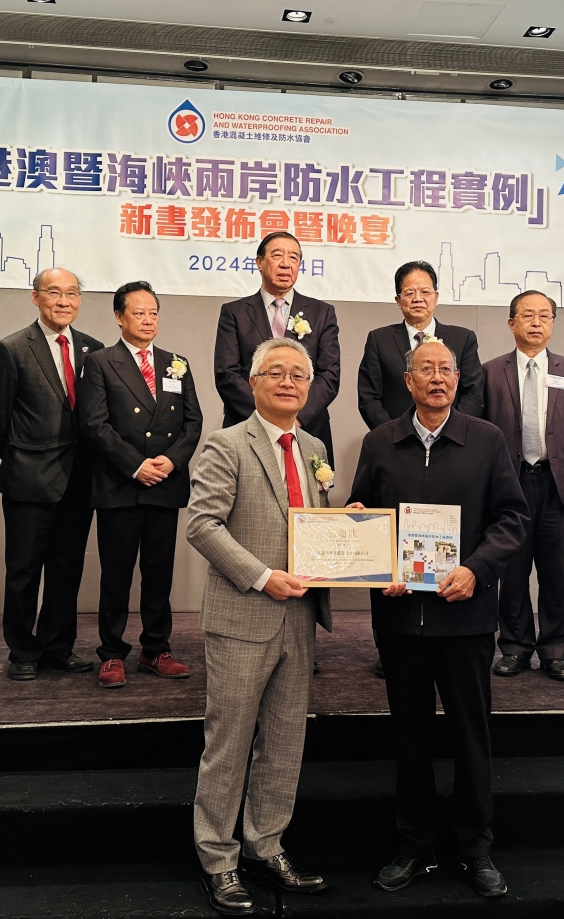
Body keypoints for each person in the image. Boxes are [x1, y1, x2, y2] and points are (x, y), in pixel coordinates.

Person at [348, 340, 527, 899]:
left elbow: (512, 519)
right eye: (425, 368)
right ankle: (414, 845)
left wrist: (475, 569)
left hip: (465, 617)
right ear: (408, 380)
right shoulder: (381, 442)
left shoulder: (486, 440)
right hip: (400, 619)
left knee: (472, 736)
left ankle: (475, 848)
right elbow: (361, 512)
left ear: (458, 379)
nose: (437, 377)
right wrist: (370, 553)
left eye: (446, 369)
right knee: (410, 737)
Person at [187, 338, 332, 916]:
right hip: (244, 615)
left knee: (284, 741)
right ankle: (216, 858)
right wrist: (262, 576)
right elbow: (202, 525)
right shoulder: (225, 444)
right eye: (276, 372)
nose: (288, 382)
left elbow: (314, 526)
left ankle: (265, 846)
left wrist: (345, 526)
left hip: (300, 617)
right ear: (253, 382)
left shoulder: (315, 447)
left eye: (299, 374)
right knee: (228, 743)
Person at [77, 281, 203, 688]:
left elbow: (193, 421)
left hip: (164, 484)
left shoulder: (175, 363)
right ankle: (112, 653)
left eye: (153, 313)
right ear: (119, 316)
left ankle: (156, 649)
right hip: (121, 484)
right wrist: (136, 465)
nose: (148, 320)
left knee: (158, 574)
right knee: (116, 576)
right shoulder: (100, 362)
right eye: (138, 313)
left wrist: (172, 460)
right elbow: (94, 423)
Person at [0, 268, 104, 681]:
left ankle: (57, 647)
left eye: (72, 293)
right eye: (54, 293)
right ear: (36, 297)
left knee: (67, 568)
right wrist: (22, 459)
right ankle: (22, 650)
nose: (64, 301)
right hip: (29, 477)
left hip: (80, 479)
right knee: (23, 571)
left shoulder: (93, 349)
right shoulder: (12, 348)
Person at [482, 291, 564, 681]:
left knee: (557, 572)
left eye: (544, 316)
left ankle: (555, 650)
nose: (536, 322)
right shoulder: (490, 372)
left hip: (559, 483)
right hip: (510, 484)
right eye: (527, 315)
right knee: (512, 571)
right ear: (511, 323)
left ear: (552, 323)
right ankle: (515, 647)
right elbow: (480, 432)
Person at [214, 231, 340, 466]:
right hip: (249, 427)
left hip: (307, 427)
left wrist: (295, 418)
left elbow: (329, 375)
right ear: (259, 262)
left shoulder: (322, 313)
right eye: (277, 255)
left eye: (293, 257)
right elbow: (227, 375)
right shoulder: (234, 313)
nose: (285, 263)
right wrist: (267, 420)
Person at [357, 259, 485, 427]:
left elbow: (473, 395)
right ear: (398, 301)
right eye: (409, 293)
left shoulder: (462, 339)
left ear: (436, 297)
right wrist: (393, 434)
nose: (418, 299)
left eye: (425, 292)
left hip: (452, 437)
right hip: (396, 437)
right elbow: (369, 398)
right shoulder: (379, 340)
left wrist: (451, 431)